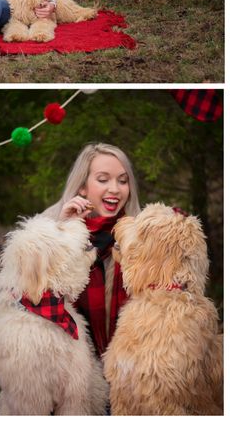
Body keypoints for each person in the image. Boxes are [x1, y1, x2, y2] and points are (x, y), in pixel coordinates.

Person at [43, 142, 141, 358]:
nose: (115, 189)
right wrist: (66, 232)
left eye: (123, 181)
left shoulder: (140, 235)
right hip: (70, 359)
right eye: (103, 179)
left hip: (130, 359)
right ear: (82, 187)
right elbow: (36, 297)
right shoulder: (48, 228)